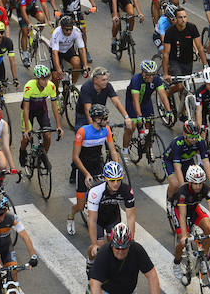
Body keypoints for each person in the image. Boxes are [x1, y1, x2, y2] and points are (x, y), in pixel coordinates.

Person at [68, 104, 120, 235]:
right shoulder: (83, 132)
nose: (108, 120)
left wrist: (117, 167)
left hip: (98, 167)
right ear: (97, 119)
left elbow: (113, 150)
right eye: (105, 118)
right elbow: (75, 157)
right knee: (80, 205)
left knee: (105, 197)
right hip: (83, 169)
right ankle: (71, 216)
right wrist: (86, 174)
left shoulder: (106, 130)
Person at [0, 194, 38, 292]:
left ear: (5, 210)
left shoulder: (12, 217)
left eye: (0, 214)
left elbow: (25, 237)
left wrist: (33, 256)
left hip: (7, 247)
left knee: (13, 274)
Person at [84, 161, 136, 276]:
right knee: (99, 248)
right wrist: (93, 244)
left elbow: (131, 217)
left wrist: (131, 241)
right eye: (112, 180)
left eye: (118, 180)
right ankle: (90, 260)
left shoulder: (126, 190)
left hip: (113, 217)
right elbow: (92, 220)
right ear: (106, 179)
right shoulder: (96, 191)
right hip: (98, 219)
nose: (116, 183)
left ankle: (111, 269)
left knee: (116, 245)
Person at [88, 223, 160, 294]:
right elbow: (95, 283)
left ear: (129, 244)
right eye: (117, 248)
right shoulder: (104, 253)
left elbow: (152, 276)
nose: (120, 251)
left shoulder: (137, 250)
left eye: (124, 248)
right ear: (112, 245)